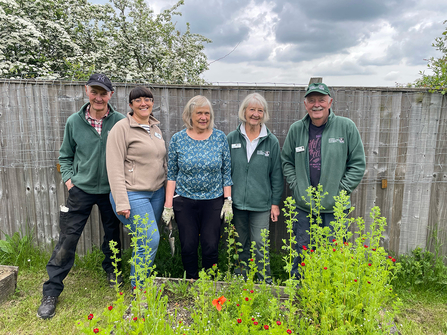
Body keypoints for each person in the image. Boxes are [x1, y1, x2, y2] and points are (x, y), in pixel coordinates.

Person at [38, 74, 125, 319]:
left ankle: (113, 271)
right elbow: (65, 156)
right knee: (67, 238)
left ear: (111, 94)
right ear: (86, 90)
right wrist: (69, 181)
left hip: (110, 190)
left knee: (113, 234)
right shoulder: (74, 122)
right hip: (81, 191)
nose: (98, 97)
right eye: (94, 92)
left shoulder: (120, 122)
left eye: (103, 93)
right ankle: (52, 290)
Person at [281, 82, 366, 279]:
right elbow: (286, 162)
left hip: (335, 208)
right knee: (302, 251)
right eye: (312, 101)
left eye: (321, 100)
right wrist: (296, 185)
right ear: (305, 104)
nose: (316, 104)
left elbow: (357, 164)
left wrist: (341, 191)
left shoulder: (346, 127)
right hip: (304, 206)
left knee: (333, 254)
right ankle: (300, 290)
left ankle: (328, 294)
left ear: (330, 102)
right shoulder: (296, 129)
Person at [162, 95, 233, 279]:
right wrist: (168, 205)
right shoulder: (178, 139)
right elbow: (172, 174)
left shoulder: (220, 138)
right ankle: (192, 280)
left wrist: (228, 201)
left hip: (213, 200)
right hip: (185, 201)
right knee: (188, 245)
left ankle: (210, 282)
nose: (203, 117)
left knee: (211, 245)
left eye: (207, 113)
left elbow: (226, 172)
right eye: (199, 113)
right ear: (189, 115)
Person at [106, 86, 166, 289]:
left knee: (143, 242)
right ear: (131, 105)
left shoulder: (155, 129)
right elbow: (114, 167)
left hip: (156, 193)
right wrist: (122, 201)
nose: (143, 103)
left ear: (152, 103)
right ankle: (139, 289)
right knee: (150, 239)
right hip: (132, 194)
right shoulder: (121, 128)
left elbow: (160, 161)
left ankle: (141, 281)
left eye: (147, 99)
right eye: (138, 100)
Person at [226, 93, 283, 283]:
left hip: (261, 204)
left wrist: (275, 203)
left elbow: (276, 174)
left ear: (264, 114)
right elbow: (225, 171)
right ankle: (240, 280)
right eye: (252, 109)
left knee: (260, 243)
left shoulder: (271, 141)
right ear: (244, 111)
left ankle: (264, 282)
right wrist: (226, 200)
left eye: (260, 110)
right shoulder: (232, 138)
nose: (255, 114)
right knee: (239, 244)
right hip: (236, 203)